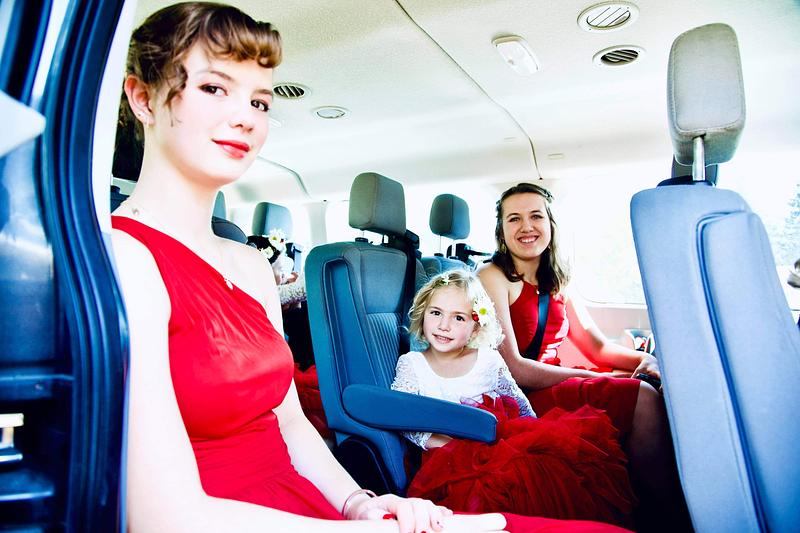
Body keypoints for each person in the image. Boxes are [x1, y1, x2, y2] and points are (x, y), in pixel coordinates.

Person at [109, 4, 623, 532]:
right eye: (214, 88)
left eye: (259, 101)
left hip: (311, 506)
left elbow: (288, 423)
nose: (246, 117)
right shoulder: (125, 257)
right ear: (143, 98)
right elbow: (162, 516)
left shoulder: (251, 265)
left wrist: (360, 502)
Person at [477, 183, 690, 531]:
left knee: (647, 384)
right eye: (514, 219)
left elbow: (596, 347)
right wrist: (597, 377)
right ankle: (666, 519)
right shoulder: (491, 276)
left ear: (550, 224)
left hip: (552, 379)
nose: (526, 227)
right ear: (502, 231)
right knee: (641, 396)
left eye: (536, 216)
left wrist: (646, 361)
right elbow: (514, 368)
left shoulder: (557, 279)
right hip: (520, 397)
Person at [391, 271, 634, 527]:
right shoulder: (412, 363)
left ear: (476, 326)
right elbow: (404, 416)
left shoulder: (488, 359)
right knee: (483, 490)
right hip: (446, 457)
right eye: (436, 313)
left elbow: (517, 402)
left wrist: (536, 437)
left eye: (458, 317)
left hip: (497, 444)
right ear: (423, 313)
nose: (444, 325)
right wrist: (442, 445)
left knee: (536, 475)